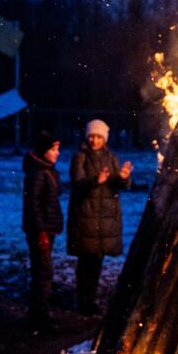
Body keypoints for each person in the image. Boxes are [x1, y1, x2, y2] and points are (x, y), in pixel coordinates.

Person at [67, 119, 133, 315]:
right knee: (85, 261)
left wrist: (123, 177)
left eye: (98, 137)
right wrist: (96, 181)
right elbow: (78, 182)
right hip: (86, 216)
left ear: (104, 138)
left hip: (105, 219)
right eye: (91, 136)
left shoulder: (111, 158)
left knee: (97, 261)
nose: (94, 140)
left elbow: (120, 186)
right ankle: (83, 300)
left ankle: (91, 299)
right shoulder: (80, 157)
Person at [22, 131, 63, 332]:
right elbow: (33, 205)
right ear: (44, 150)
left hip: (47, 230)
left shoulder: (46, 170)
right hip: (41, 232)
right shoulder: (38, 173)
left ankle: (40, 315)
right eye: (53, 149)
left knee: (42, 271)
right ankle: (40, 318)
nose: (57, 153)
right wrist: (41, 232)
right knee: (43, 272)